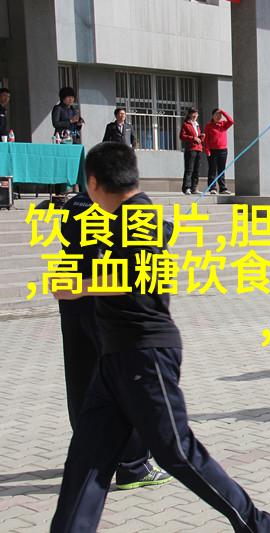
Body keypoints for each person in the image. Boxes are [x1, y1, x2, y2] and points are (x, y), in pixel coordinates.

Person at [51, 143, 270, 533]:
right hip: (115, 359)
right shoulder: (120, 217)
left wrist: (81, 286)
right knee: (86, 459)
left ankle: (259, 524)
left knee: (176, 450)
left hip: (145, 354)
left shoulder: (139, 215)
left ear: (93, 183)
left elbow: (139, 277)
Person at [58, 191, 173, 491]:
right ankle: (133, 464)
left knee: (82, 381)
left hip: (74, 298)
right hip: (107, 299)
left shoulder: (74, 204)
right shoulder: (125, 206)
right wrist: (166, 228)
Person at [203, 108, 234, 195]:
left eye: (220, 115)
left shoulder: (223, 124)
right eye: (216, 114)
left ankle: (222, 188)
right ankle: (212, 188)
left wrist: (223, 112)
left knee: (221, 170)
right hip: (212, 150)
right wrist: (207, 150)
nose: (218, 116)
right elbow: (206, 139)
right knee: (212, 169)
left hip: (223, 150)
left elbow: (231, 121)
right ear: (212, 116)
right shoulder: (209, 126)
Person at [179, 108, 204, 195]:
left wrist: (201, 137)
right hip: (191, 149)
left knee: (196, 170)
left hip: (199, 149)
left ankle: (194, 188)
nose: (195, 115)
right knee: (189, 169)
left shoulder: (197, 125)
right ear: (189, 114)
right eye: (193, 114)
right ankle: (187, 187)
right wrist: (193, 138)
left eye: (196, 114)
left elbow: (198, 137)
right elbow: (182, 136)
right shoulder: (186, 124)